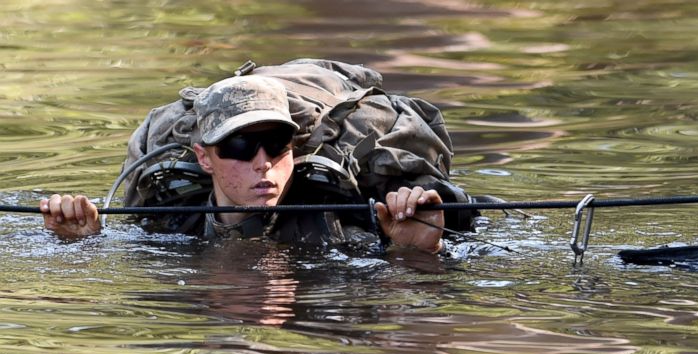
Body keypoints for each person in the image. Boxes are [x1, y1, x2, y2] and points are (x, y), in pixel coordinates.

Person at [39, 75, 445, 254]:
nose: (262, 163)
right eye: (239, 146)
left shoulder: (339, 225)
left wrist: (414, 251)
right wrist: (82, 244)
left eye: (275, 144)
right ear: (204, 158)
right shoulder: (168, 224)